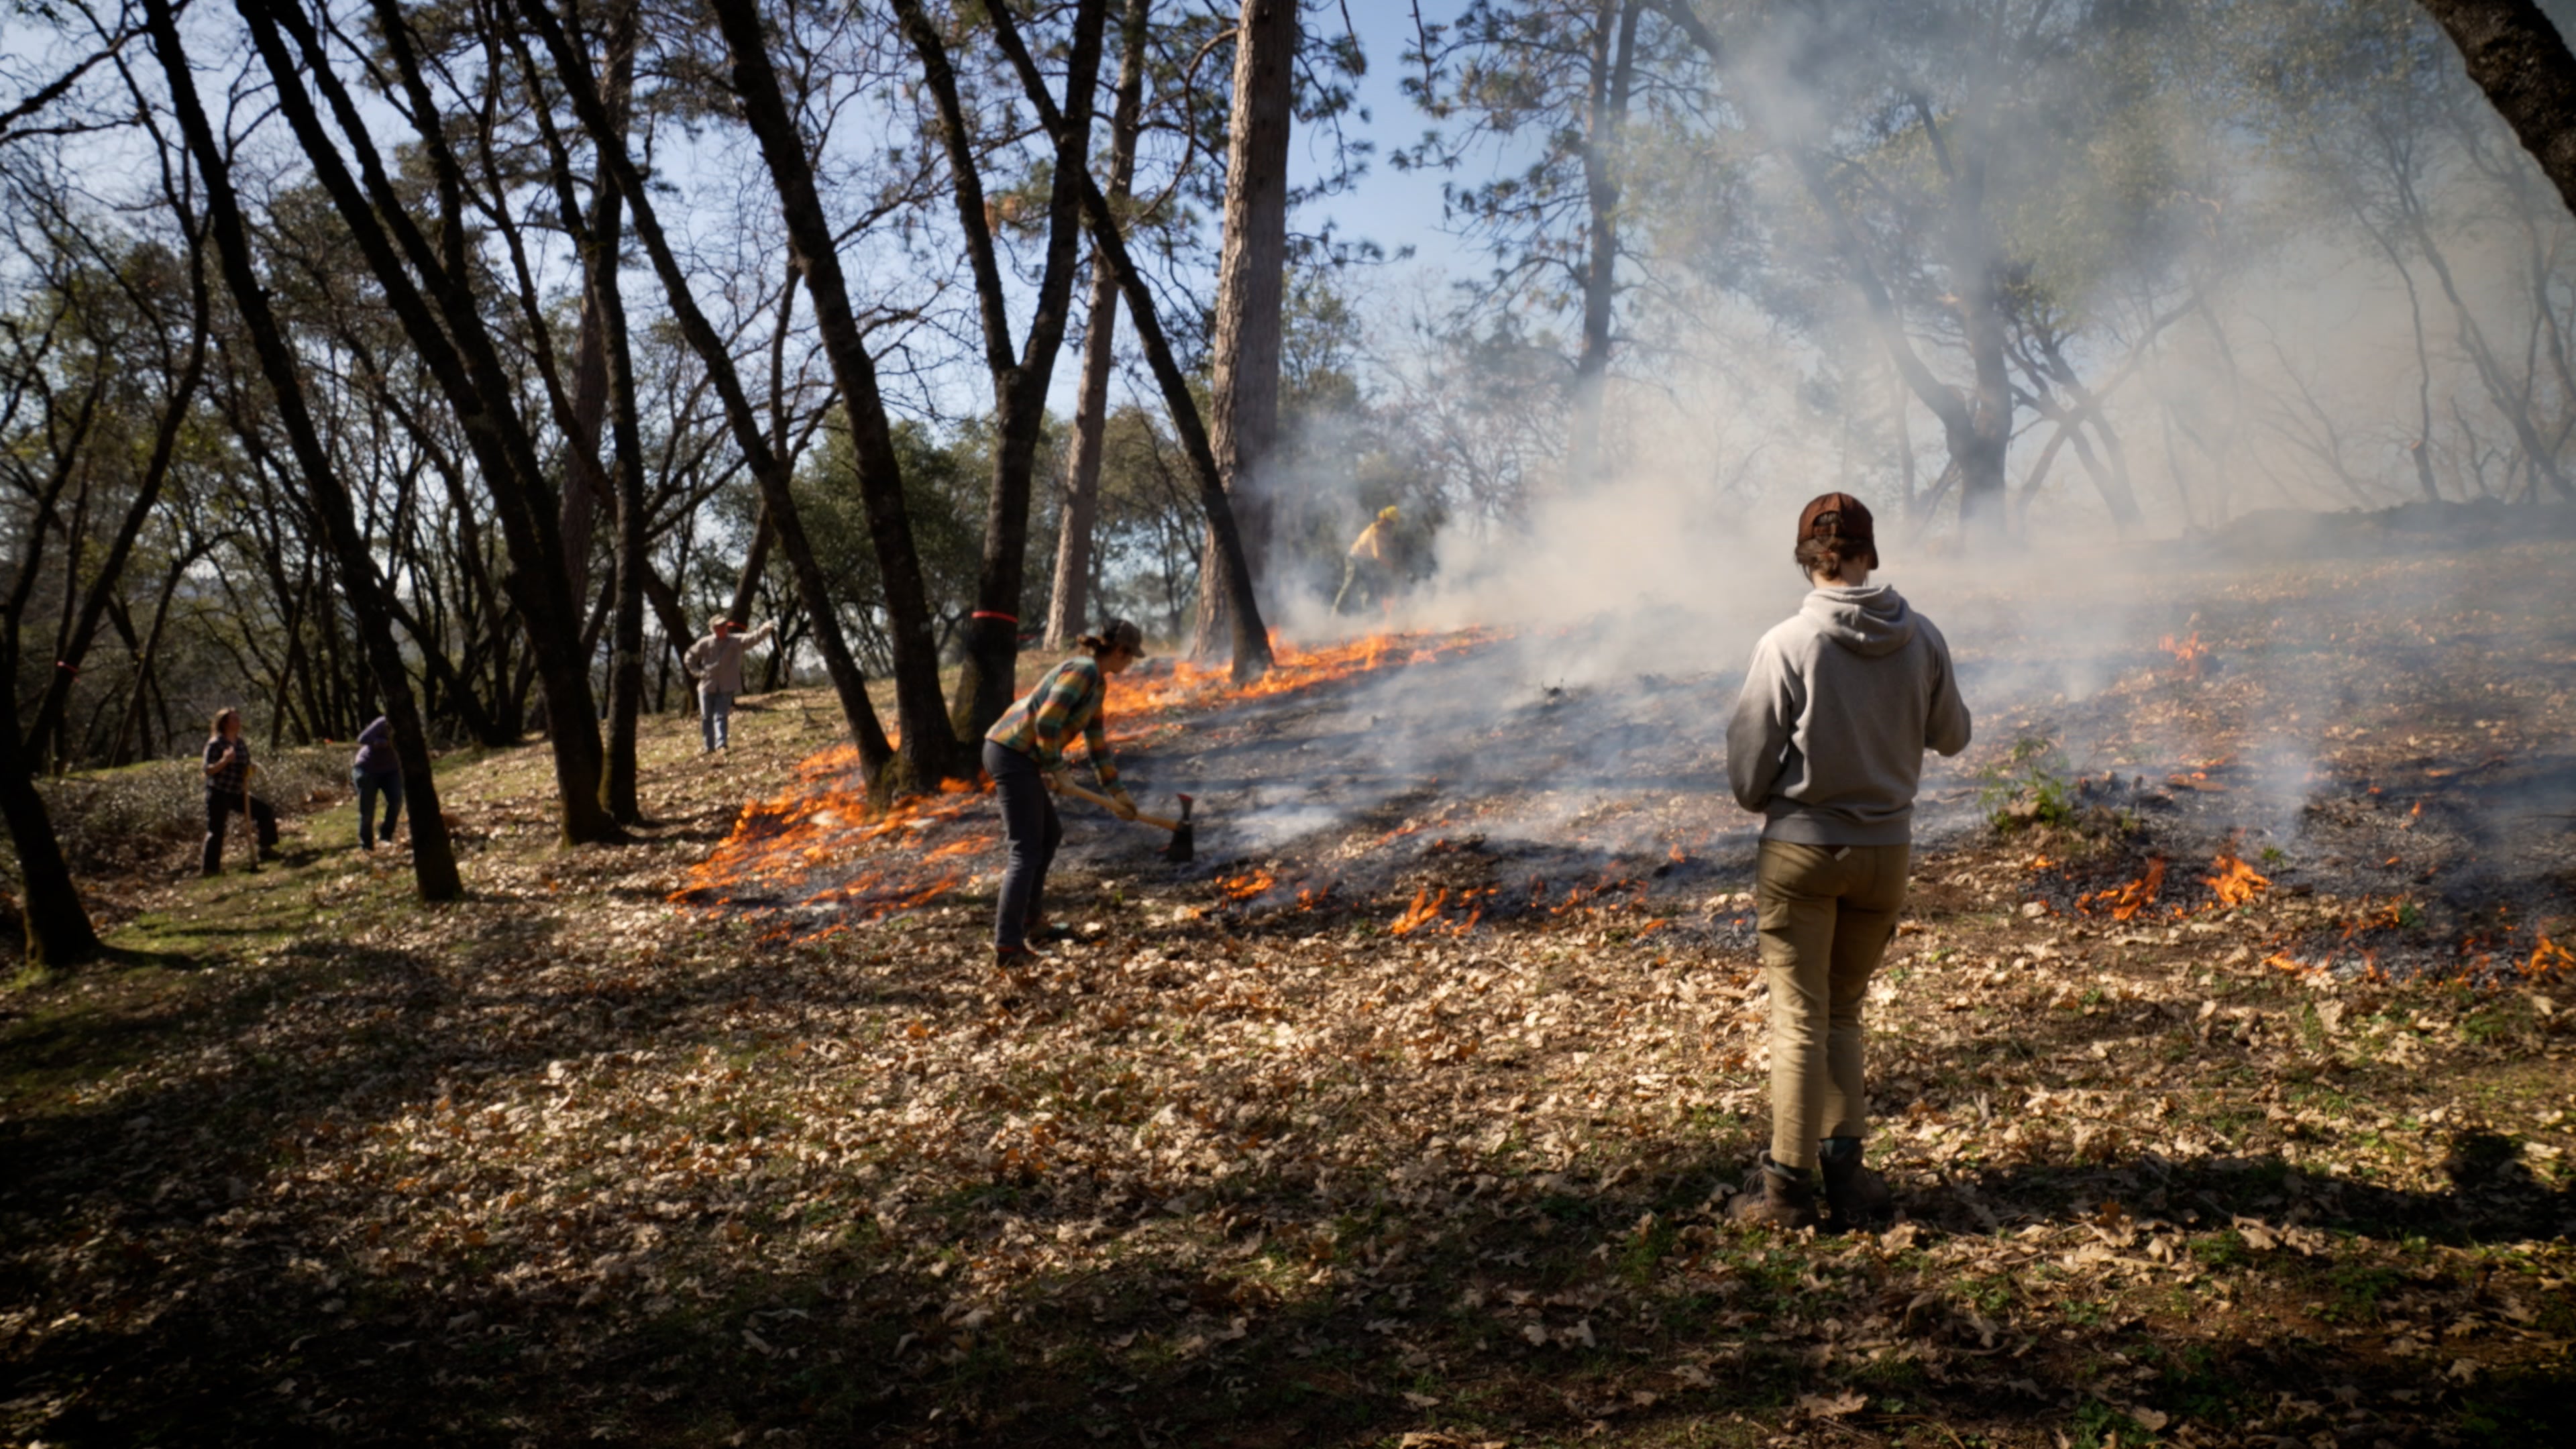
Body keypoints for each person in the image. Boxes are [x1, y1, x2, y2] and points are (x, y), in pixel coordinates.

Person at [1723, 492, 1972, 1231]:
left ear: (1807, 558)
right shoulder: (1922, 637)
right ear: (1871, 553)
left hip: (1802, 851)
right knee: (1844, 1015)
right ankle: (1849, 1176)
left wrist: (1791, 788)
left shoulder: (1786, 644)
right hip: (1885, 854)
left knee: (1799, 1020)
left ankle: (1786, 1192)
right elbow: (1952, 736)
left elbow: (1745, 780)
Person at [982, 619, 1144, 961]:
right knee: (1025, 849)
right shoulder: (1082, 671)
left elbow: (1097, 744)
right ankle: (1008, 945)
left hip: (1024, 756)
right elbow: (1046, 721)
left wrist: (1117, 792)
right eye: (1130, 657)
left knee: (1049, 835)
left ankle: (1031, 920)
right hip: (1010, 751)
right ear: (1120, 650)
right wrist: (1056, 769)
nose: (1129, 664)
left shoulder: (1098, 684)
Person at [201, 708, 280, 876]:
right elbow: (208, 770)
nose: (238, 723)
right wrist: (224, 761)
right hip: (218, 792)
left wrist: (250, 770)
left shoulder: (240, 743)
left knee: (265, 811)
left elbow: (246, 764)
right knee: (216, 830)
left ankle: (265, 849)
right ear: (225, 723)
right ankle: (210, 869)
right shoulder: (216, 744)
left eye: (238, 719)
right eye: (234, 719)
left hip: (237, 792)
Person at [683, 616, 777, 753]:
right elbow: (689, 657)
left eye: (724, 625)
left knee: (721, 715)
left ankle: (722, 745)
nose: (723, 628)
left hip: (727, 686)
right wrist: (697, 672)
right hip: (706, 686)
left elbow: (753, 638)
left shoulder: (736, 641)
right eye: (720, 626)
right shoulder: (704, 643)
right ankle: (708, 747)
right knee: (706, 717)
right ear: (713, 628)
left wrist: (765, 628)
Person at [1332, 505, 1402, 616]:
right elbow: (1378, 555)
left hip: (1365, 561)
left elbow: (1383, 546)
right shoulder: (1375, 531)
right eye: (1390, 523)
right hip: (1355, 559)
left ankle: (1369, 618)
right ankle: (1335, 614)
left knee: (1370, 589)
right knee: (1349, 585)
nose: (1391, 527)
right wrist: (1393, 567)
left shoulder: (1381, 531)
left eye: (1392, 524)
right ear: (1384, 520)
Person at [352, 714, 403, 851]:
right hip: (367, 769)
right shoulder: (383, 722)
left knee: (396, 801)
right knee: (367, 810)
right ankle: (367, 844)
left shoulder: (409, 726)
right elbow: (362, 739)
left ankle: (386, 836)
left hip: (391, 770)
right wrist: (382, 742)